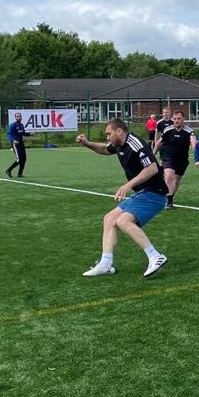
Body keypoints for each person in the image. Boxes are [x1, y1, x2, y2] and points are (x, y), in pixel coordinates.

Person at [76, 118, 169, 277]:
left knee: (123, 221)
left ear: (119, 131)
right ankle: (106, 264)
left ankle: (155, 256)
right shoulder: (119, 144)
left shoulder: (135, 143)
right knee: (109, 218)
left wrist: (127, 185)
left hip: (155, 193)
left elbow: (152, 168)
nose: (107, 137)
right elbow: (105, 149)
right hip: (142, 193)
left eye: (109, 133)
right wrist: (87, 143)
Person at [153, 109, 196, 209]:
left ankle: (170, 196)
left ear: (183, 119)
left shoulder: (189, 131)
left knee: (176, 181)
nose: (176, 121)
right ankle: (168, 202)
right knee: (169, 176)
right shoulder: (168, 130)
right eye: (175, 118)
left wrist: (195, 152)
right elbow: (159, 142)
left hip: (182, 159)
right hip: (167, 156)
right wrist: (152, 155)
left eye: (179, 119)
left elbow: (193, 141)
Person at [5, 112, 33, 178]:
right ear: (15, 117)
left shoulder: (21, 125)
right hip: (15, 144)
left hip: (21, 143)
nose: (19, 117)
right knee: (19, 159)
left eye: (20, 116)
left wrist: (30, 134)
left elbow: (23, 133)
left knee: (24, 159)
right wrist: (13, 140)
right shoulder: (13, 125)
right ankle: (8, 170)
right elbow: (9, 134)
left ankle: (20, 174)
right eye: (17, 116)